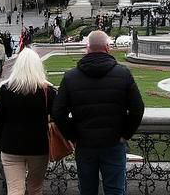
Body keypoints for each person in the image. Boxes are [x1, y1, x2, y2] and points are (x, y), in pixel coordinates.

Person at [52, 30, 145, 195]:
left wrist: (73, 135)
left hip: (84, 143)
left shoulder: (70, 77)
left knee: (88, 191)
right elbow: (138, 109)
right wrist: (126, 133)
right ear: (107, 47)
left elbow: (58, 112)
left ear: (87, 48)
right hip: (114, 142)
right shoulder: (123, 74)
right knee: (115, 191)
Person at [0, 49, 56, 195]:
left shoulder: (6, 90)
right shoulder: (48, 91)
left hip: (11, 146)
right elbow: (57, 117)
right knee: (35, 189)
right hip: (39, 147)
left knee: (15, 190)